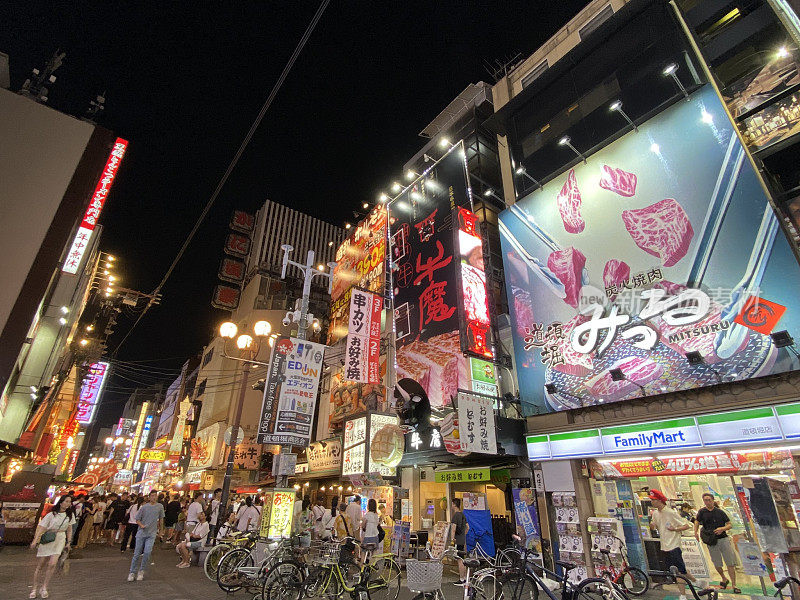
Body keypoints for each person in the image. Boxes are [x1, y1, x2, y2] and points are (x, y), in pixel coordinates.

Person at [649, 489, 698, 598]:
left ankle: (683, 594)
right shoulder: (656, 513)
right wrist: (652, 525)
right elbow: (655, 525)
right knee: (680, 569)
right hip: (664, 545)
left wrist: (675, 529)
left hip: (674, 545)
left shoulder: (670, 512)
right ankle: (696, 582)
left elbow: (686, 525)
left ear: (660, 500)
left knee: (678, 571)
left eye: (654, 500)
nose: (652, 502)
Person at [30, 494, 76, 599]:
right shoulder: (51, 514)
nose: (68, 504)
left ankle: (44, 587)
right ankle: (34, 587)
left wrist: (69, 542)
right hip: (49, 538)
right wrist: (35, 540)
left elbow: (69, 529)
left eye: (70, 502)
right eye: (67, 501)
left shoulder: (70, 515)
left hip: (60, 539)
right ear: (61, 502)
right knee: (41, 565)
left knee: (52, 564)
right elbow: (41, 527)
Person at [694, 492, 739, 593]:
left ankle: (734, 584)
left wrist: (722, 529)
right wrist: (695, 532)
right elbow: (697, 521)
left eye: (709, 500)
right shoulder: (702, 512)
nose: (707, 502)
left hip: (723, 538)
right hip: (711, 540)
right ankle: (723, 577)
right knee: (716, 562)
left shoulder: (720, 512)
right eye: (705, 500)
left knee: (730, 562)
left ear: (713, 500)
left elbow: (729, 524)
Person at [128, 490, 165, 582]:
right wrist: (141, 525)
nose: (154, 497)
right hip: (141, 533)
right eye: (152, 496)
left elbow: (161, 519)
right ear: (149, 497)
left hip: (151, 533)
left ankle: (141, 570)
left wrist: (161, 531)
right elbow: (137, 519)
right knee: (137, 553)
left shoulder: (160, 507)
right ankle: (132, 572)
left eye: (155, 496)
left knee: (147, 552)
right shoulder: (144, 507)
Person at [451, 498, 469, 585]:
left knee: (459, 560)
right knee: (462, 559)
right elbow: (467, 527)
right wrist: (463, 534)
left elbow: (453, 529)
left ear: (454, 504)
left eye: (452, 504)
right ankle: (465, 578)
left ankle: (462, 579)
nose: (451, 505)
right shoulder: (462, 515)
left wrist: (452, 539)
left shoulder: (455, 515)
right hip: (462, 540)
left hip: (457, 540)